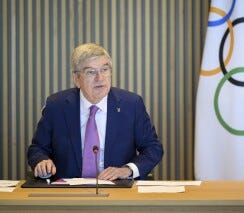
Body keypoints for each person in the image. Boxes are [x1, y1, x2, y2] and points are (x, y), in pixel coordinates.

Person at [27, 43, 163, 180]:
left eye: (104, 70)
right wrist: (41, 161)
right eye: (91, 72)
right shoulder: (56, 105)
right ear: (77, 79)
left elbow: (153, 148)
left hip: (118, 191)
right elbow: (37, 149)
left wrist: (127, 170)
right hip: (67, 192)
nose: (100, 78)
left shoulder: (131, 104)